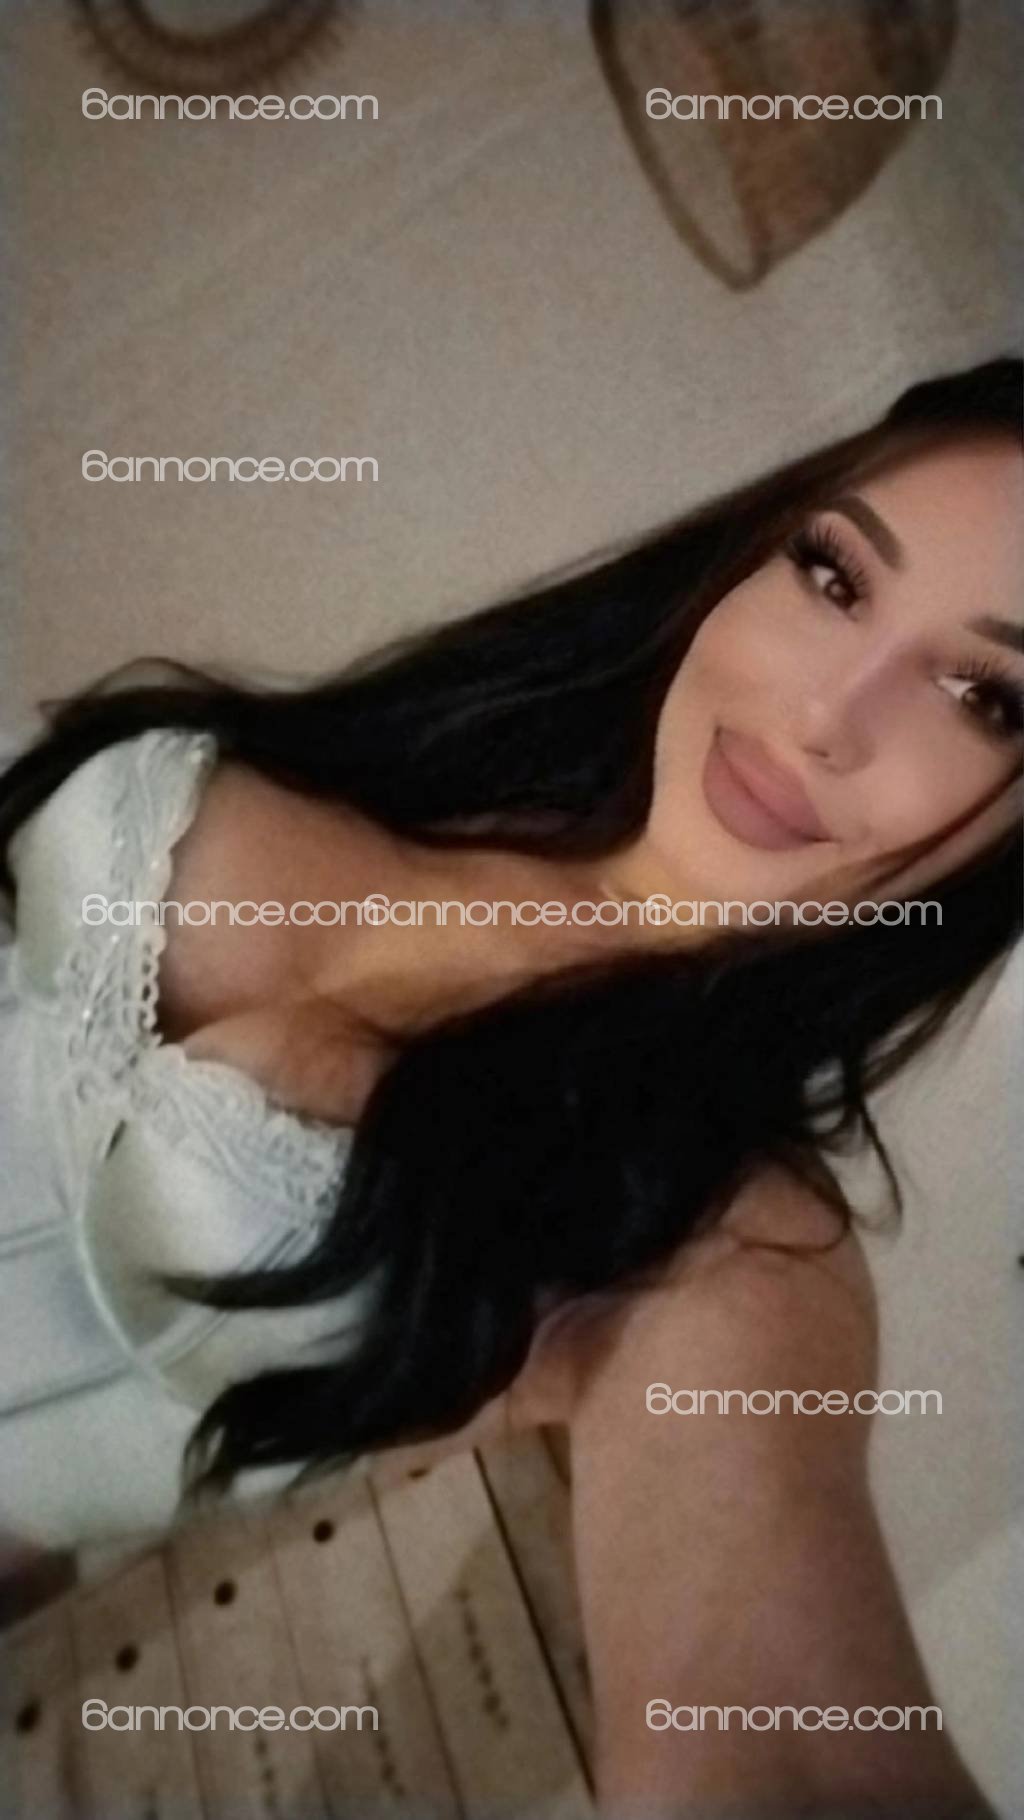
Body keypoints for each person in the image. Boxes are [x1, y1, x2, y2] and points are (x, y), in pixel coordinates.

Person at [1, 359, 1020, 1816]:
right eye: (834, 575)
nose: (826, 713)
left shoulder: (729, 1240)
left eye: (984, 695)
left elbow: (783, 1754)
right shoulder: (441, 749)